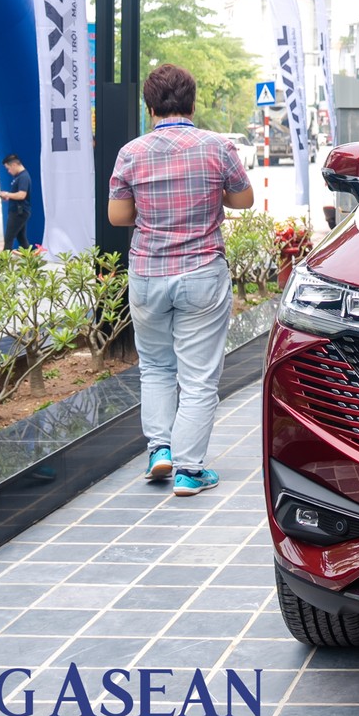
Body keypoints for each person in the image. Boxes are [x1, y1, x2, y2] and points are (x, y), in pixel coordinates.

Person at [107, 63, 255, 497]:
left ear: (149, 105)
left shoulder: (131, 152)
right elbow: (243, 200)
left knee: (154, 367)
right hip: (202, 273)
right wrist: (214, 194)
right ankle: (190, 471)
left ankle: (159, 451)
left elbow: (118, 216)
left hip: (149, 274)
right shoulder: (216, 146)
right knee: (198, 378)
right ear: (192, 101)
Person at [0, 154, 34, 252]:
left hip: (18, 212)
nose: (9, 171)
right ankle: (30, 263)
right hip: (18, 210)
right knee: (21, 238)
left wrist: (7, 194)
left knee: (9, 239)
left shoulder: (23, 177)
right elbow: (18, 195)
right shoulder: (19, 177)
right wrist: (8, 196)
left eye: (8, 168)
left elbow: (22, 195)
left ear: (13, 165)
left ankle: (1, 266)